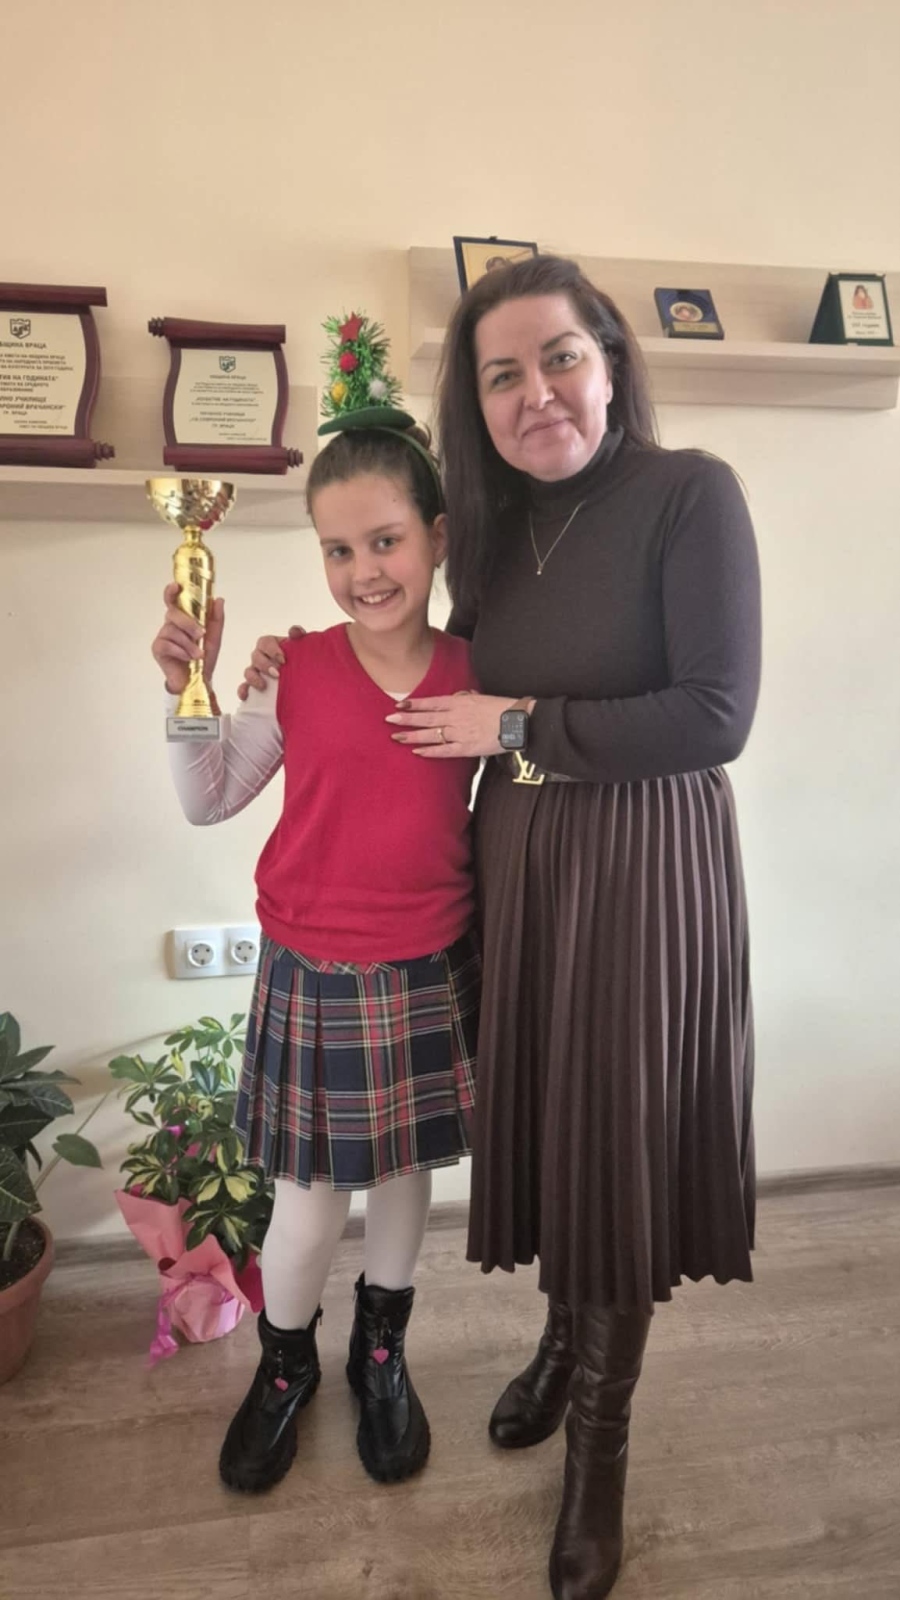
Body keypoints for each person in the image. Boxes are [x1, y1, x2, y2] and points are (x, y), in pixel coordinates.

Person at [241, 255, 761, 1600]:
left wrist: (519, 724)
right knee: (556, 1128)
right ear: (475, 405)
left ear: (611, 361)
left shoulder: (689, 494)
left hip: (641, 868)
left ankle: (600, 1450)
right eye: (503, 374)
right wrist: (272, 681)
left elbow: (716, 715)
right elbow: (420, 687)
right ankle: (559, 1345)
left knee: (619, 1143)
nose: (538, 393)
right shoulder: (492, 531)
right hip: (518, 870)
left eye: (561, 357)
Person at [151, 389, 481, 1499]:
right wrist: (186, 689)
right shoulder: (291, 667)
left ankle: (380, 1352)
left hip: (427, 968)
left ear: (438, 535)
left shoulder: (478, 671)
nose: (363, 571)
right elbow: (207, 798)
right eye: (338, 550)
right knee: (304, 1209)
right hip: (316, 974)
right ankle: (285, 1361)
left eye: (386, 540)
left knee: (406, 1182)